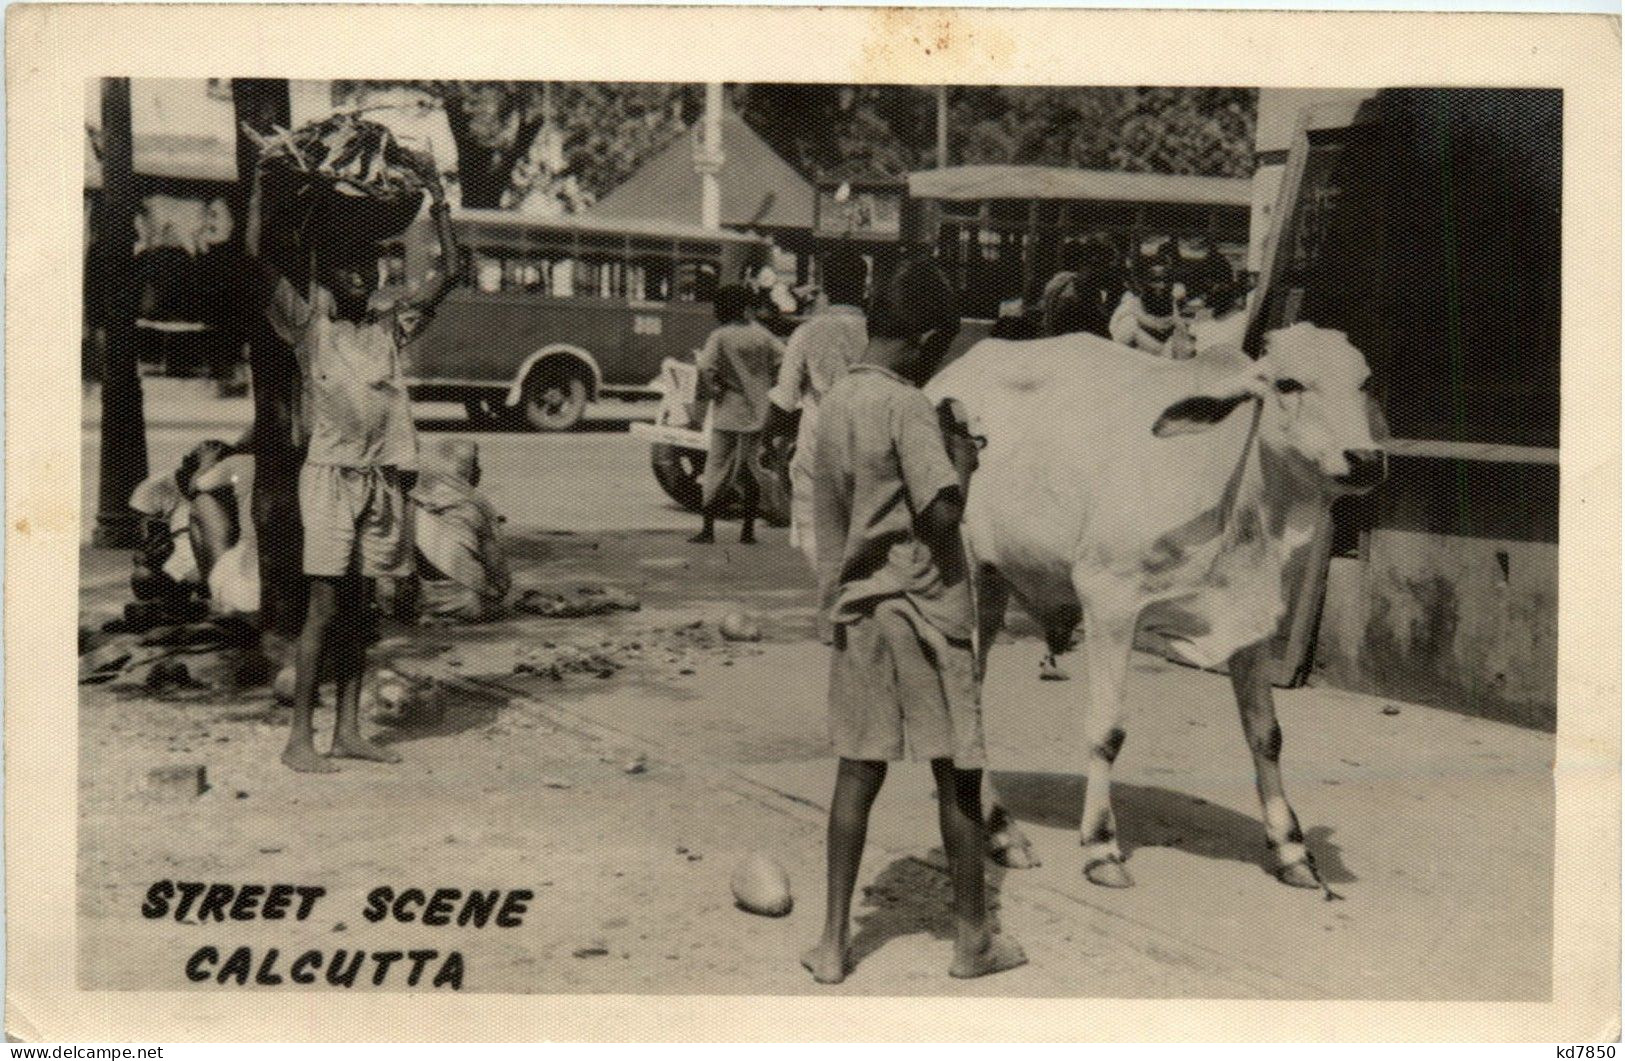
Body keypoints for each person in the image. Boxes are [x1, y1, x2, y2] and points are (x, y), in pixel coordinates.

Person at [803, 258, 1027, 984]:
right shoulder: (908, 408)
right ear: (929, 340)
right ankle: (971, 939)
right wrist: (960, 457)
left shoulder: (836, 401)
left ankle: (834, 941)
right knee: (957, 773)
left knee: (856, 771)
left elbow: (833, 512)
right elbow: (941, 517)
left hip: (862, 609)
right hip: (928, 611)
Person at [246, 147, 460, 772]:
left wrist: (438, 197)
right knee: (324, 608)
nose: (365, 276)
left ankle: (347, 730)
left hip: (381, 481)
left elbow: (449, 274)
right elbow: (257, 262)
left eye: (371, 267)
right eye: (352, 268)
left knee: (361, 611)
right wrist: (262, 189)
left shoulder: (390, 328)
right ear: (326, 275)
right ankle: (297, 741)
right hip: (330, 480)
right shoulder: (309, 326)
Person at [764, 250, 868, 572]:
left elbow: (785, 399)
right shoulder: (876, 333)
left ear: (825, 287)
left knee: (822, 553)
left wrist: (765, 442)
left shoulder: (808, 333)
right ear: (865, 287)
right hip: (869, 448)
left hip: (818, 450)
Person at [691, 283, 784, 545]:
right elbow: (783, 361)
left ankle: (708, 530)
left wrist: (715, 390)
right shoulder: (763, 335)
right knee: (749, 466)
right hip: (758, 411)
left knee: (716, 468)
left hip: (728, 410)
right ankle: (748, 531)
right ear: (745, 307)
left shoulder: (720, 336)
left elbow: (706, 369)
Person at [407, 438, 511, 623]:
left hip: (415, 604)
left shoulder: (411, 503)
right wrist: (497, 594)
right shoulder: (476, 504)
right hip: (468, 604)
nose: (479, 470)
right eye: (474, 464)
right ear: (462, 469)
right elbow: (498, 571)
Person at [129, 438, 237, 607]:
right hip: (174, 565)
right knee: (143, 576)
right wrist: (151, 553)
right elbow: (142, 548)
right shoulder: (156, 486)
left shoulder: (226, 491)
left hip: (209, 564)